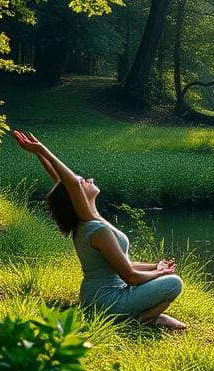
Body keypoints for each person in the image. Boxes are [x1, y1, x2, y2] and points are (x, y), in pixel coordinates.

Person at [13, 130, 186, 330]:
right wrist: (159, 274)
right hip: (106, 302)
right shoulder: (94, 227)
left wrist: (155, 266)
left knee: (165, 277)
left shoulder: (91, 220)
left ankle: (146, 315)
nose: (87, 180)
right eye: (81, 182)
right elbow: (130, 276)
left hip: (97, 298)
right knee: (174, 283)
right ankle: (140, 320)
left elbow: (63, 182)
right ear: (76, 196)